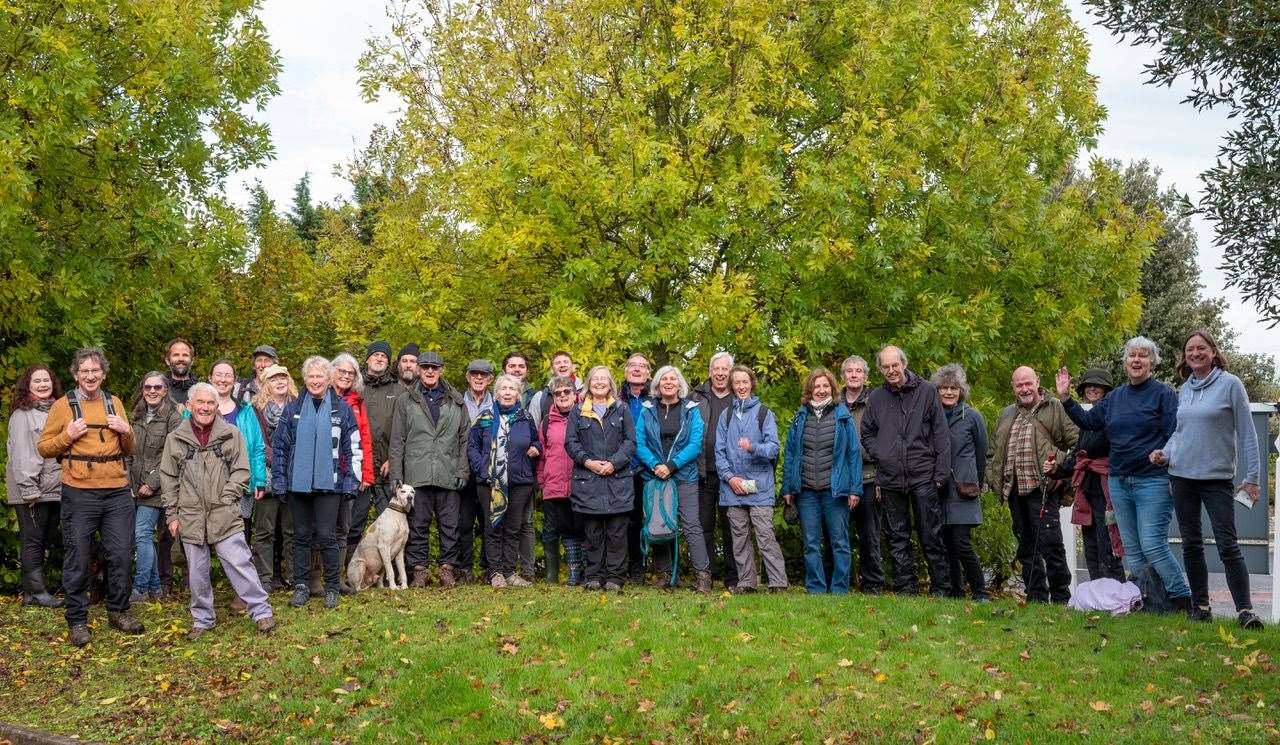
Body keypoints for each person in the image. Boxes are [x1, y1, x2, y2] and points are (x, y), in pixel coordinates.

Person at [1056, 336, 1192, 611]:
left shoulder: (1163, 395)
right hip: (1119, 482)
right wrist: (1066, 398)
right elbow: (1088, 421)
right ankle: (1150, 600)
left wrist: (1170, 469)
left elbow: (1174, 436)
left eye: (1143, 356)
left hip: (1152, 480)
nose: (1137, 360)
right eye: (1132, 356)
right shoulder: (1116, 397)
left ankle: (1184, 600)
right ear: (1125, 362)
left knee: (1153, 545)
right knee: (1132, 548)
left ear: (1152, 362)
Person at [1153, 330, 1263, 628]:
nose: (1195, 353)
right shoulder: (1184, 389)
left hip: (1216, 479)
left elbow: (1248, 434)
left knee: (1228, 544)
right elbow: (1180, 433)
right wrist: (1164, 453)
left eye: (1201, 348)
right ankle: (1201, 606)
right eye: (1190, 349)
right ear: (1185, 356)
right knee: (1191, 543)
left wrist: (1253, 477)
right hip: (1181, 477)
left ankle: (1245, 611)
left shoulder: (1231, 384)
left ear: (1213, 352)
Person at [38, 348, 143, 647]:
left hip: (117, 492)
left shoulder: (115, 403)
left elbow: (129, 447)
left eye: (95, 370)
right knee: (78, 557)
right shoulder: (62, 406)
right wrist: (67, 436)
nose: (90, 375)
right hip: (79, 491)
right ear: (75, 375)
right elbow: (44, 447)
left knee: (122, 553)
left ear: (103, 374)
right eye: (84, 371)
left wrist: (127, 431)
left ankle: (119, 610)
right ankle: (77, 620)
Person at [159, 382, 275, 639]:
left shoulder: (231, 434)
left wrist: (229, 497)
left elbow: (242, 470)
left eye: (210, 403)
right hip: (190, 514)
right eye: (200, 402)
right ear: (189, 406)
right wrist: (173, 514)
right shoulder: (175, 438)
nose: (205, 407)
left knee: (239, 562)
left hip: (223, 511)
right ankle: (202, 619)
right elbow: (168, 478)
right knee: (197, 572)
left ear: (216, 406)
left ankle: (261, 611)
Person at [270, 356, 362, 609]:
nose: (315, 381)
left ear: (329, 379)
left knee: (327, 536)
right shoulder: (293, 408)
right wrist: (279, 481)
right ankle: (301, 585)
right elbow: (280, 447)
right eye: (310, 376)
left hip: (330, 484)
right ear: (304, 379)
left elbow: (352, 447)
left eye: (320, 376)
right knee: (300, 537)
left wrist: (351, 482)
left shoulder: (341, 408)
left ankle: (332, 586)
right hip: (297, 484)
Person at [860, 345, 951, 596]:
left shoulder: (927, 392)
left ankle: (941, 588)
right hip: (890, 478)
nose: (891, 371)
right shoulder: (876, 398)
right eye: (886, 367)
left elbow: (941, 433)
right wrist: (880, 453)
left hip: (923, 474)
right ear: (880, 369)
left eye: (895, 365)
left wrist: (941, 473)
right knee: (897, 537)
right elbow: (867, 432)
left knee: (930, 535)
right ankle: (905, 588)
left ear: (904, 364)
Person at [989, 366, 1078, 603]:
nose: (1024, 389)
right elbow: (992, 452)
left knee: (1051, 545)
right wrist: (991, 478)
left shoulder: (1055, 408)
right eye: (1019, 385)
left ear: (1037, 381)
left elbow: (1079, 442)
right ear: (1013, 387)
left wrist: (1062, 474)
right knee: (1026, 547)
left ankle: (1061, 598)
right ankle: (1036, 596)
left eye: (1028, 383)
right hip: (1014, 490)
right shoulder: (1006, 413)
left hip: (1044, 488)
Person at [388, 350, 470, 589]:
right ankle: (419, 570)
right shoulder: (406, 399)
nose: (430, 371)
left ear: (441, 370)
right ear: (419, 370)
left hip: (448, 472)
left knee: (450, 526)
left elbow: (465, 438)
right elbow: (397, 440)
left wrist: (462, 471)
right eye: (425, 367)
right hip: (416, 473)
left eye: (435, 367)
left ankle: (447, 569)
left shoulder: (456, 400)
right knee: (417, 526)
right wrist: (396, 474)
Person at [781, 367, 863, 594]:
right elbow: (790, 453)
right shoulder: (800, 417)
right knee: (810, 543)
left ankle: (839, 588)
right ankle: (815, 588)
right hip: (806, 491)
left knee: (839, 542)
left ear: (832, 389)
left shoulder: (843, 416)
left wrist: (855, 489)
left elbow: (853, 454)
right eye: (816, 386)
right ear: (810, 390)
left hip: (835, 491)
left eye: (825, 386)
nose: (821, 390)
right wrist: (787, 487)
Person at [634, 365, 712, 592]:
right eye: (664, 379)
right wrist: (656, 465)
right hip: (655, 475)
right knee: (659, 523)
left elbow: (695, 444)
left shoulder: (691, 409)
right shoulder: (648, 410)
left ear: (680, 384)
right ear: (657, 384)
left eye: (673, 379)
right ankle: (666, 575)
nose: (669, 383)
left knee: (691, 524)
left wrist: (671, 466)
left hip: (684, 475)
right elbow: (639, 443)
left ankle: (703, 576)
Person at [714, 365, 786, 593]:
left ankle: (778, 583)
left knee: (765, 536)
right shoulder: (725, 415)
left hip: (760, 488)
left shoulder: (764, 413)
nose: (741, 386)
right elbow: (720, 452)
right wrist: (730, 478)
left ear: (751, 383)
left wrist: (752, 446)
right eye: (737, 383)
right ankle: (747, 583)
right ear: (732, 386)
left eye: (745, 382)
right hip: (732, 488)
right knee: (739, 539)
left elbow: (774, 449)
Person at [565, 366, 636, 592]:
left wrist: (613, 463)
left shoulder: (622, 408)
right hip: (588, 479)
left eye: (603, 379)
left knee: (617, 533)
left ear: (611, 383)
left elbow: (630, 442)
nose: (599, 383)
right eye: (595, 379)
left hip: (618, 480)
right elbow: (571, 443)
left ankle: (615, 578)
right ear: (588, 383)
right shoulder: (578, 411)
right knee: (593, 533)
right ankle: (593, 576)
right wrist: (588, 462)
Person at [468, 374, 541, 588]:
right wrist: (482, 467)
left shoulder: (525, 418)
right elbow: (471, 446)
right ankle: (495, 573)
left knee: (513, 528)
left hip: (519, 482)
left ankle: (510, 572)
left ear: (518, 393)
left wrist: (536, 448)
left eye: (512, 389)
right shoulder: (485, 418)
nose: (507, 392)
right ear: (496, 393)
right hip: (489, 482)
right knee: (493, 527)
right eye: (503, 389)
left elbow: (536, 441)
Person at [1052, 368, 1125, 583]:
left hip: (1107, 488)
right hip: (1088, 488)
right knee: (1090, 544)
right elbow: (1079, 453)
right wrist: (1057, 470)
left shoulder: (1112, 416)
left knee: (1108, 542)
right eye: (1088, 386)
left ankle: (1116, 593)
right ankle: (1097, 593)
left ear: (1106, 390)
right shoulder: (1088, 421)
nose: (1092, 389)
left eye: (1098, 386)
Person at [6, 363, 65, 608]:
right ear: (28, 385)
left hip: (53, 490)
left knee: (42, 538)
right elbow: (21, 454)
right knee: (33, 540)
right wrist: (29, 488)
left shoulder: (56, 410)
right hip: (32, 490)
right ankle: (38, 593)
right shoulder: (23, 414)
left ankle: (30, 593)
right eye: (37, 381)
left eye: (46, 380)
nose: (43, 385)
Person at [932, 364, 989, 601]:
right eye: (944, 388)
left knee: (961, 542)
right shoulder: (931, 416)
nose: (948, 392)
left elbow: (982, 452)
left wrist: (977, 482)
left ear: (961, 390)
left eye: (953, 388)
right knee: (945, 544)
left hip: (964, 489)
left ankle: (979, 591)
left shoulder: (972, 416)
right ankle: (955, 592)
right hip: (938, 489)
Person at [127, 372, 183, 604]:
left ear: (165, 390)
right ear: (142, 390)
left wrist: (152, 483)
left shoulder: (173, 417)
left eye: (157, 387)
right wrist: (130, 484)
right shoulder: (136, 416)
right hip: (134, 488)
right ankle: (155, 588)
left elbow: (172, 456)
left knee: (141, 534)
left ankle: (140, 589)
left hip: (159, 489)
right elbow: (128, 451)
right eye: (148, 387)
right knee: (142, 537)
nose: (152, 391)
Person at [349, 341, 400, 567]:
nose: (379, 358)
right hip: (360, 468)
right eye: (375, 355)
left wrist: (393, 458)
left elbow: (402, 429)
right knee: (353, 522)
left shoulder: (397, 389)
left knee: (390, 524)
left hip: (387, 468)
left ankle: (389, 571)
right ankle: (347, 570)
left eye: (384, 356)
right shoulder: (355, 386)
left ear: (388, 362)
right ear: (367, 359)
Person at [208, 360, 268, 543]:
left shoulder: (246, 411)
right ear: (210, 378)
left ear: (234, 381)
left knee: (240, 540)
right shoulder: (196, 410)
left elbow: (257, 447)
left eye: (228, 375)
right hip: (206, 486)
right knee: (205, 540)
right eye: (219, 374)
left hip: (241, 485)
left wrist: (259, 480)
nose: (223, 379)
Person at [692, 351, 738, 589]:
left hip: (731, 475)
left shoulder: (740, 398)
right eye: (716, 369)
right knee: (704, 527)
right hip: (702, 473)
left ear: (730, 372)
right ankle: (705, 577)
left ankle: (733, 579)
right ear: (710, 372)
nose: (720, 373)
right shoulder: (697, 397)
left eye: (725, 369)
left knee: (732, 528)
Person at [839, 354, 884, 594]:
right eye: (849, 371)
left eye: (858, 371)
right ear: (843, 376)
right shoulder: (835, 403)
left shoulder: (876, 401)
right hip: (840, 476)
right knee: (838, 534)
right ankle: (840, 583)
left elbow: (885, 439)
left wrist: (880, 477)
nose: (854, 375)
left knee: (869, 535)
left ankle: (873, 583)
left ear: (865, 376)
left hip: (869, 475)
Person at [331, 353, 375, 595]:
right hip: (325, 472)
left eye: (351, 373)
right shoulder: (321, 396)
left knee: (345, 527)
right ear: (332, 372)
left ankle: (339, 578)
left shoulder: (357, 401)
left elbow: (365, 438)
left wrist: (366, 474)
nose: (346, 376)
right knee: (321, 527)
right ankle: (315, 578)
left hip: (350, 473)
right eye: (342, 372)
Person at [251, 364, 297, 591]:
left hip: (293, 475)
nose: (280, 382)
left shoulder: (299, 406)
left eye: (283, 378)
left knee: (291, 529)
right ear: (265, 384)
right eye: (274, 379)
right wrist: (279, 460)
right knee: (265, 530)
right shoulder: (256, 409)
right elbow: (257, 442)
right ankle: (265, 578)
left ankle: (293, 576)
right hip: (266, 475)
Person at [536, 375, 586, 585]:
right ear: (553, 397)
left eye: (567, 391)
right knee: (558, 528)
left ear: (575, 394)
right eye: (558, 393)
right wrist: (541, 481)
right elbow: (541, 454)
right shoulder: (547, 421)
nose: (563, 396)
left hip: (581, 482)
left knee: (581, 528)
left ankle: (583, 572)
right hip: (554, 484)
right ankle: (557, 574)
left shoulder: (586, 416)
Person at [458, 359, 496, 582]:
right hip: (463, 469)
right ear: (468, 376)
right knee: (463, 522)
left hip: (488, 470)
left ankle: (488, 568)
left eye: (484, 374)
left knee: (488, 521)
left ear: (490, 379)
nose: (479, 378)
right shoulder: (457, 402)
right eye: (474, 374)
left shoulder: (497, 403)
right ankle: (464, 568)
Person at [619, 353, 653, 582]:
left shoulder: (657, 397)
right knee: (625, 520)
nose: (637, 369)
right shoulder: (616, 397)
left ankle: (649, 566)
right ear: (626, 371)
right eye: (633, 366)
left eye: (643, 366)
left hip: (650, 468)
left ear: (649, 373)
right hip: (622, 468)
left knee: (651, 519)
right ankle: (628, 566)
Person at [164, 337, 197, 406]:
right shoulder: (158, 388)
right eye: (176, 355)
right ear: (167, 361)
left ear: (192, 361)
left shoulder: (201, 390)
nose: (181, 359)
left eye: (185, 355)